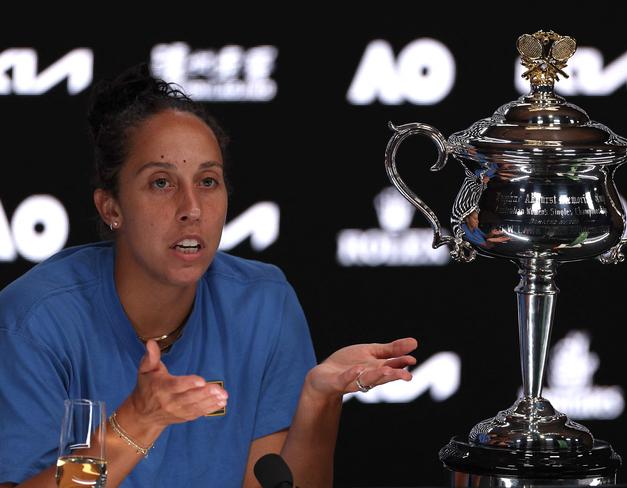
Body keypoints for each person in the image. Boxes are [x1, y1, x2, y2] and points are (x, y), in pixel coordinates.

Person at [0, 64, 417, 488]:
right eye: (161, 182)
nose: (192, 207)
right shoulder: (34, 320)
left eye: (208, 181)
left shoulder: (263, 304)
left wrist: (318, 401)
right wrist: (135, 424)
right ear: (112, 208)